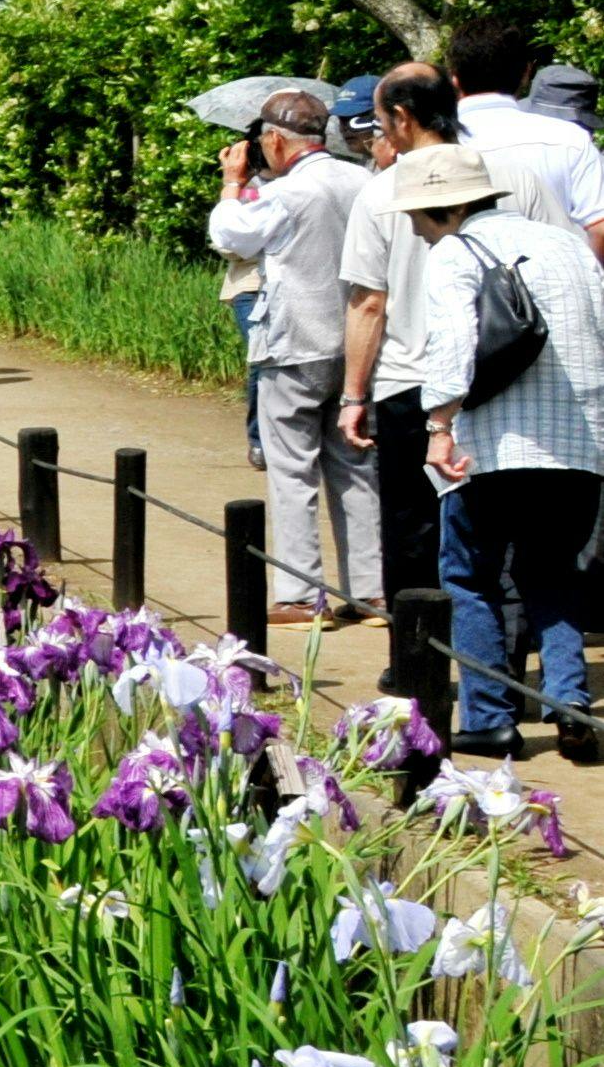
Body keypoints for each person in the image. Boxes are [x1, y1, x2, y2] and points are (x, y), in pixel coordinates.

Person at [404, 139, 604, 761]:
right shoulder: (569, 243)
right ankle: (570, 705)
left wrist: (439, 426)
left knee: (470, 576)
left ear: (441, 209)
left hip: (492, 446)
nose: (413, 227)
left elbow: (454, 342)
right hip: (581, 442)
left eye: (415, 215)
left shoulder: (456, 252)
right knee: (553, 574)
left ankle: (490, 717)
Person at [209, 85, 378, 624]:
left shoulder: (287, 194)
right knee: (355, 466)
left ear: (276, 140)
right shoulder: (364, 180)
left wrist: (233, 184)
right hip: (357, 343)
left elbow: (229, 235)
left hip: (295, 342)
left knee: (291, 470)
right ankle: (370, 591)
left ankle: (302, 594)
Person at [338, 69, 450, 699]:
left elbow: (369, 303)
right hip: (494, 378)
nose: (379, 137)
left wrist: (354, 395)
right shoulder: (497, 175)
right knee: (492, 534)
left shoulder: (382, 192)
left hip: (409, 380)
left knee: (410, 531)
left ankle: (411, 663)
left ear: (402, 118)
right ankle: (506, 676)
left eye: (380, 125)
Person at [445, 21, 604, 257]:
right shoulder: (570, 139)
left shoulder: (437, 142)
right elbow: (599, 229)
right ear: (526, 74)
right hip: (556, 284)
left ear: (453, 78)